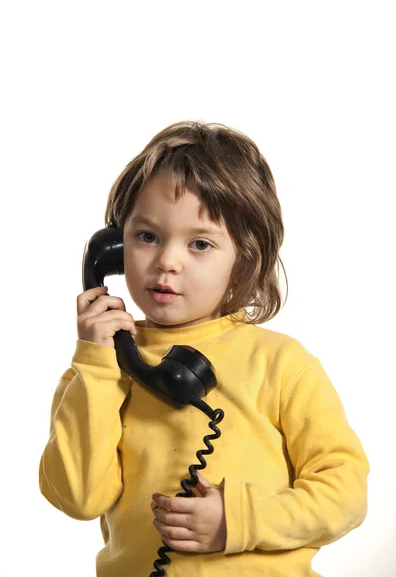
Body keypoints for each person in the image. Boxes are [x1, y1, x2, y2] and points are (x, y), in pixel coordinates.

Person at [39, 120, 370, 577]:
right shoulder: (97, 370)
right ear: (111, 251)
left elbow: (346, 493)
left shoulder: (280, 365)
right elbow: (79, 498)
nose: (167, 262)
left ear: (244, 260)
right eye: (147, 236)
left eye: (199, 244)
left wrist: (240, 520)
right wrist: (96, 368)